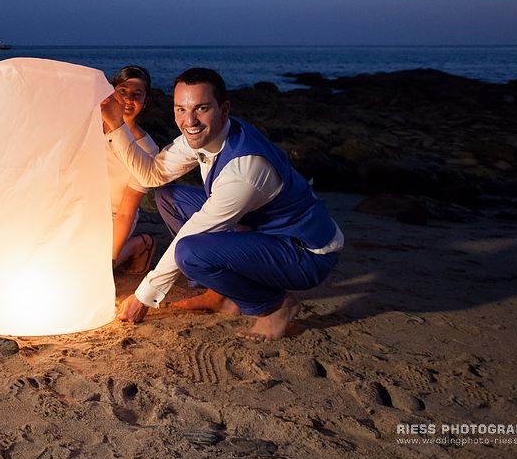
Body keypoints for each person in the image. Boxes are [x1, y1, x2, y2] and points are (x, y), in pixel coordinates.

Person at [101, 67, 343, 341]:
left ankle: (275, 307)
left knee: (189, 251)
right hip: (262, 229)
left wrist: (144, 296)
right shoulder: (204, 134)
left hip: (305, 251)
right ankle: (219, 295)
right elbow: (152, 174)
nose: (189, 120)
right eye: (181, 109)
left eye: (201, 108)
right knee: (169, 197)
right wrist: (117, 126)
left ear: (223, 109)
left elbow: (194, 231)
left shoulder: (245, 170)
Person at [106, 65, 160, 273]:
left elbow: (126, 212)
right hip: (80, 207)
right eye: (123, 91)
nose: (129, 99)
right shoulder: (90, 126)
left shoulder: (147, 149)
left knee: (91, 268)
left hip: (114, 216)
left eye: (137, 94)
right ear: (112, 92)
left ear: (145, 102)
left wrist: (109, 262)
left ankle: (138, 245)